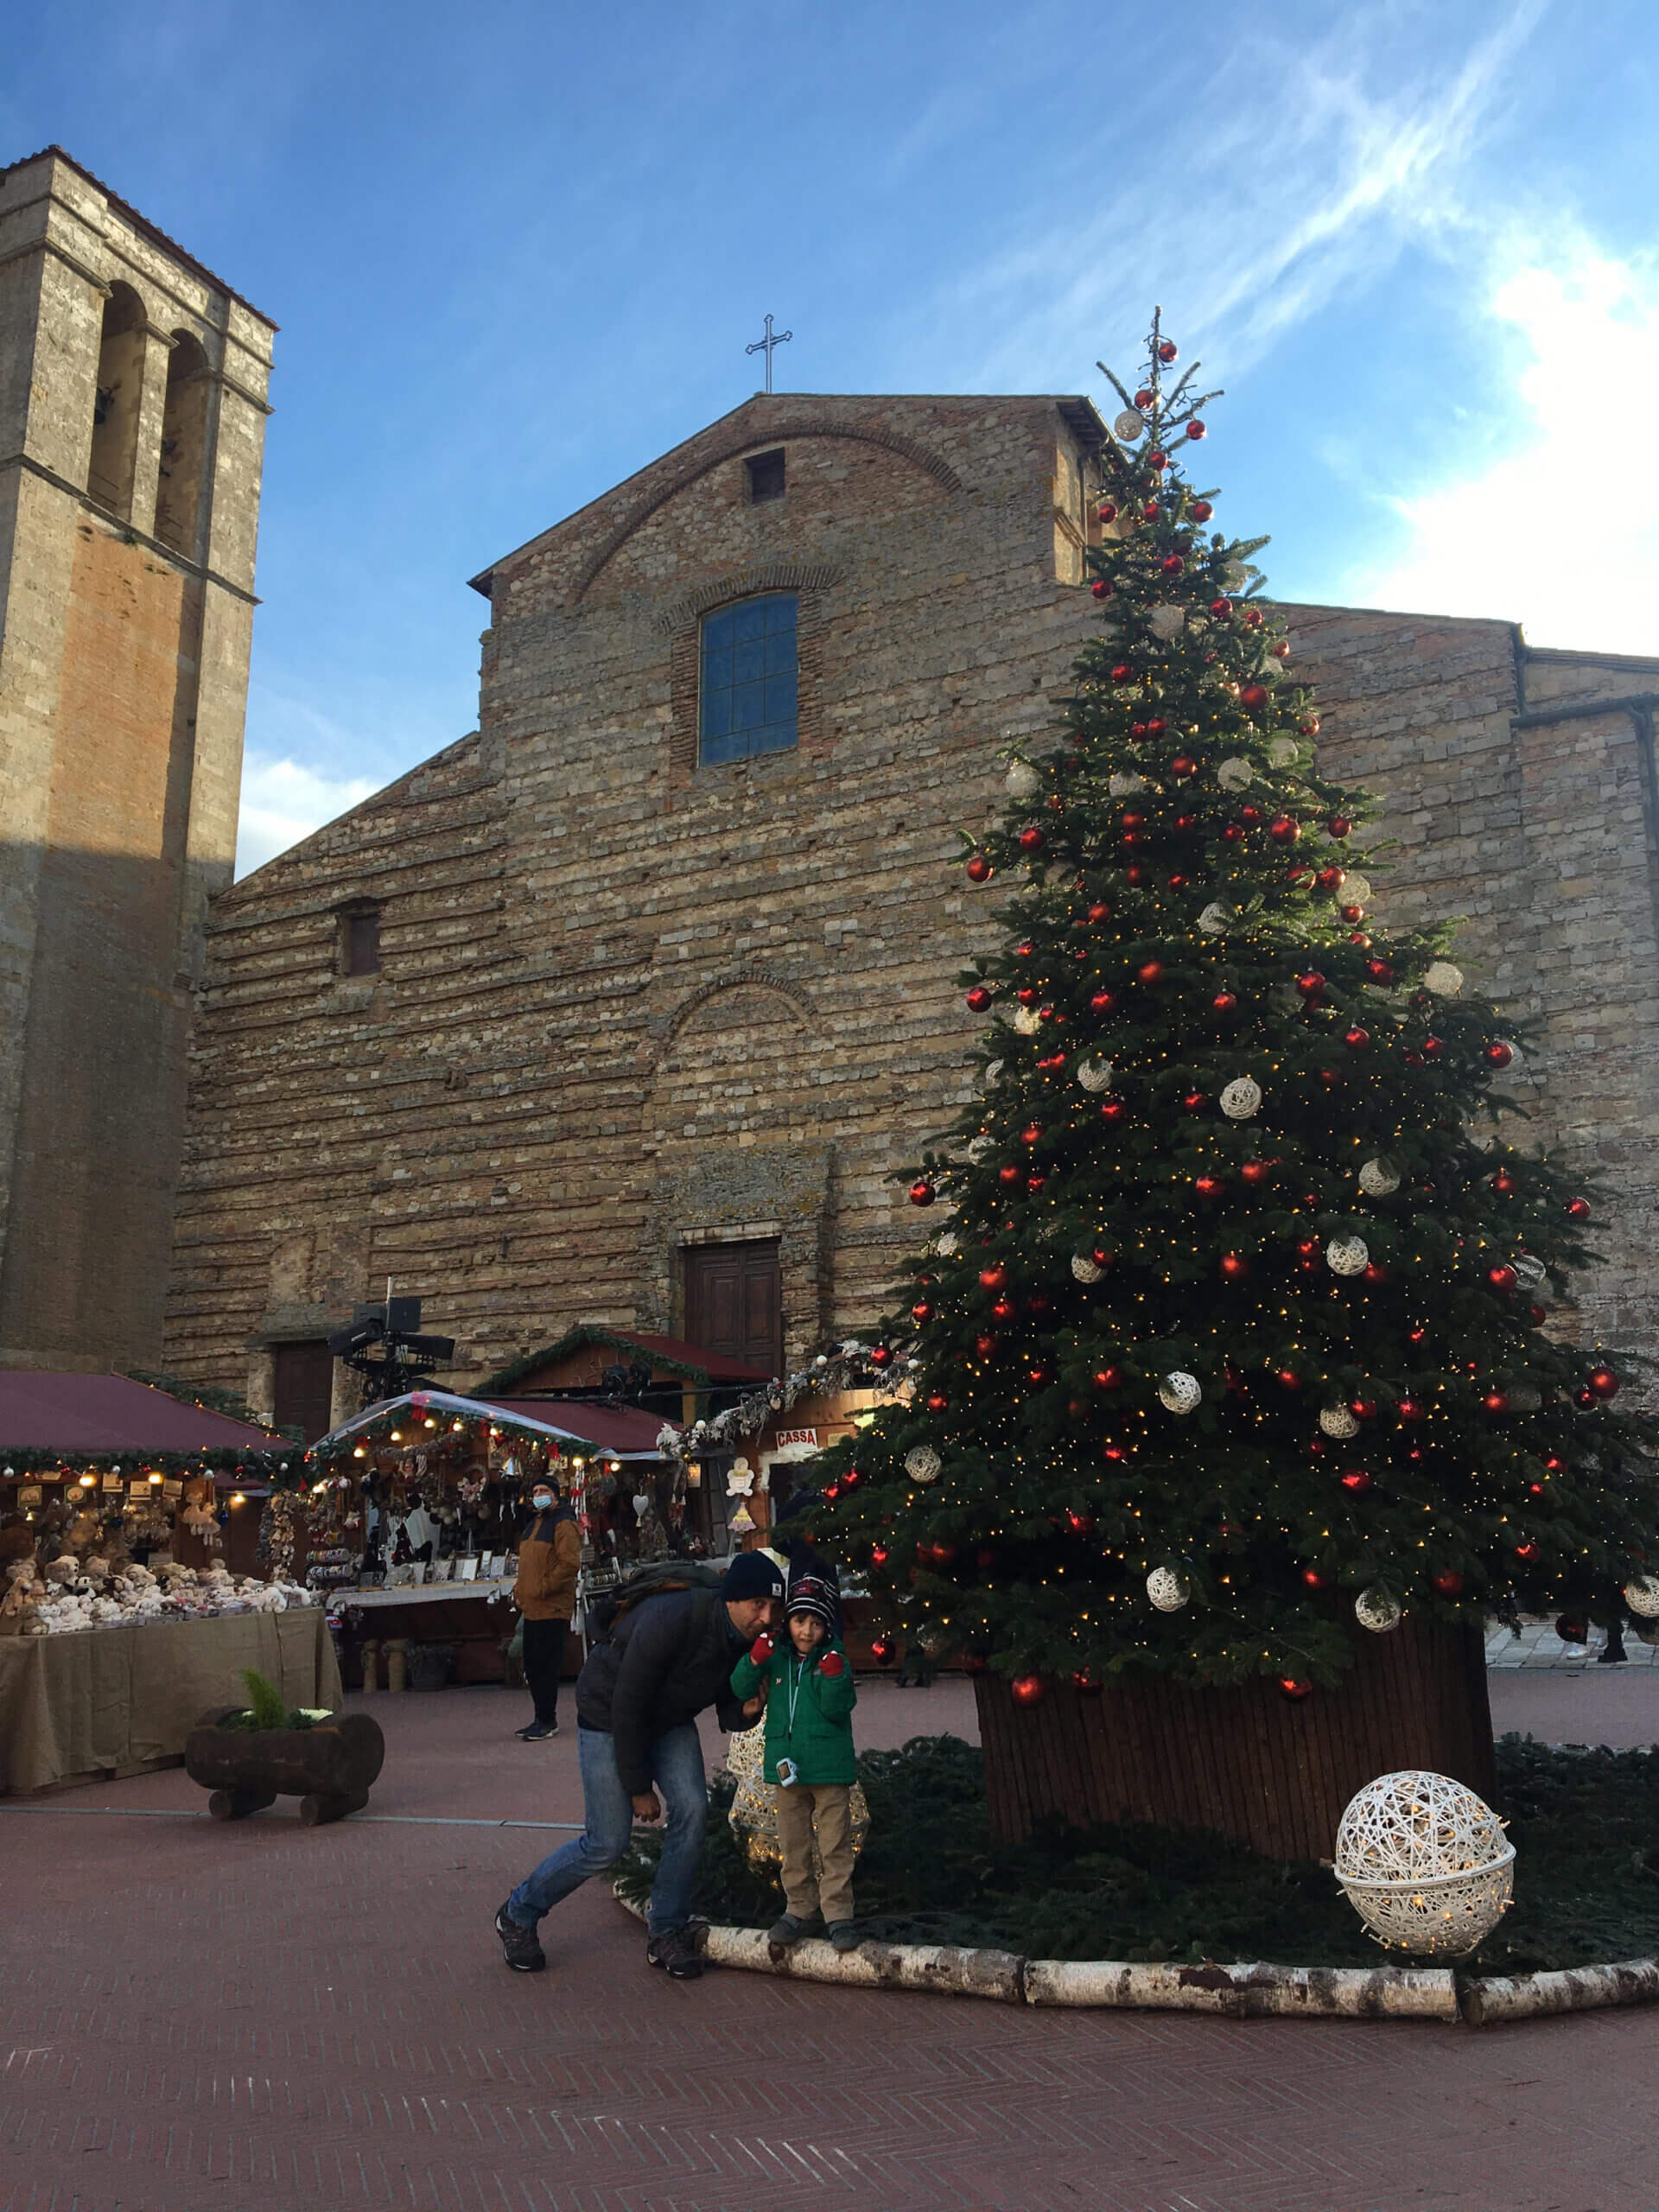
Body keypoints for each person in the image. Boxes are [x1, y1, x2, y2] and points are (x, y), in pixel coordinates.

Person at [494, 1550, 784, 1980]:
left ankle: (665, 1929)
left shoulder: (745, 1641)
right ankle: (518, 1913)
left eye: (773, 1608)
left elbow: (726, 1708)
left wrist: (748, 1710)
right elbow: (628, 1702)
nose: (765, 1617)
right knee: (606, 1842)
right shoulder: (676, 1617)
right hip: (609, 1713)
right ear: (731, 1598)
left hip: (668, 1717)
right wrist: (637, 1787)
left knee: (692, 1807)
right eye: (757, 1605)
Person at [728, 1573, 861, 1953]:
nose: (807, 1631)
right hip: (788, 1767)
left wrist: (834, 1677)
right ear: (788, 1621)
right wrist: (755, 1658)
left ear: (826, 1626)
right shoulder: (777, 1657)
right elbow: (740, 1688)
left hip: (828, 1767)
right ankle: (799, 1907)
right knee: (794, 1841)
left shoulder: (835, 1659)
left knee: (834, 1843)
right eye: (801, 1621)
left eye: (816, 1623)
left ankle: (839, 1914)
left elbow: (838, 1709)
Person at [511, 1473, 580, 1741]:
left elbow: (569, 1564)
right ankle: (540, 1717)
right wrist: (521, 1589)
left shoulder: (564, 1523)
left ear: (555, 1494)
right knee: (533, 1665)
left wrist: (543, 1587)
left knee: (546, 1665)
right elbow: (527, 1563)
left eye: (544, 1490)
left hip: (552, 1606)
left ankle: (547, 1719)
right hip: (533, 1607)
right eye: (535, 1490)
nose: (538, 1494)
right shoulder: (534, 1524)